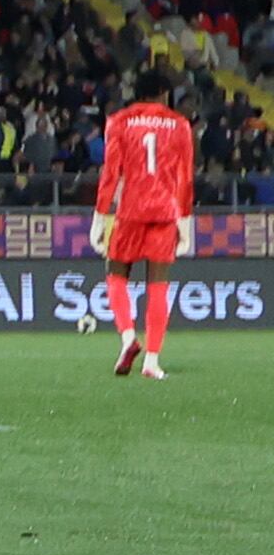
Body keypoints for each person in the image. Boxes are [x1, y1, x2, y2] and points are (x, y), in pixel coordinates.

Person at [89, 64, 196, 379]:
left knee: (116, 273)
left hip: (131, 210)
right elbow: (185, 179)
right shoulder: (178, 125)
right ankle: (152, 361)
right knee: (158, 284)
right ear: (164, 94)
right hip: (164, 212)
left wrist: (99, 217)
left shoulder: (119, 122)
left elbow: (111, 174)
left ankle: (127, 338)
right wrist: (185, 224)